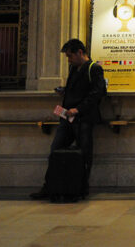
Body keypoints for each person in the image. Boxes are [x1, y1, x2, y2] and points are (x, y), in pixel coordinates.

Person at [30, 39, 107, 200]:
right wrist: (65, 91)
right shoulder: (74, 68)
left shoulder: (94, 69)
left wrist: (78, 109)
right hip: (67, 117)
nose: (69, 60)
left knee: (85, 154)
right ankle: (50, 187)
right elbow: (79, 89)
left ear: (80, 52)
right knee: (55, 150)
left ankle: (81, 188)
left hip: (83, 118)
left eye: (70, 56)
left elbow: (97, 93)